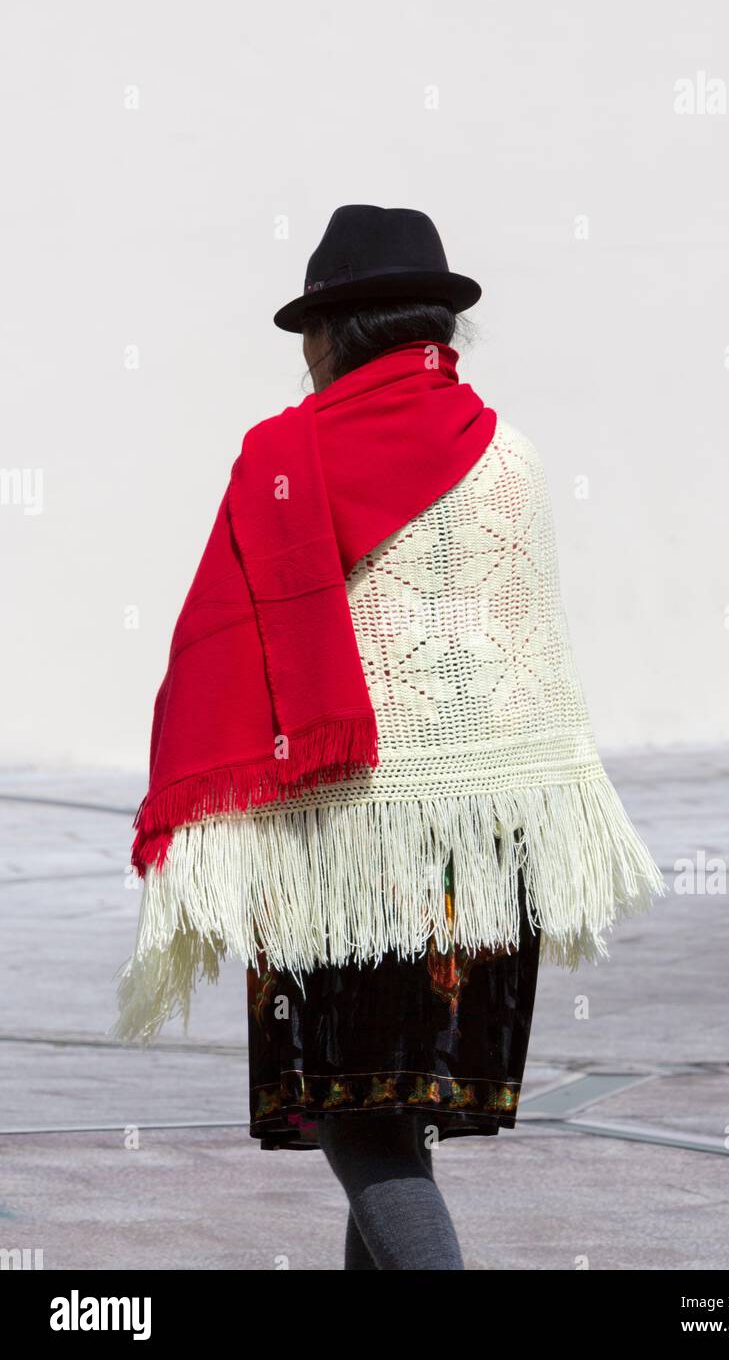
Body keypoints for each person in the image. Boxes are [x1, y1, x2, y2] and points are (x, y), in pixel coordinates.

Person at [115, 204, 664, 1271]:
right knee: (395, 1114)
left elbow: (228, 643)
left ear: (335, 332)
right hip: (490, 844)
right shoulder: (511, 452)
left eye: (311, 332)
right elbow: (523, 650)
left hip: (347, 853)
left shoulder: (285, 458)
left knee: (361, 1121)